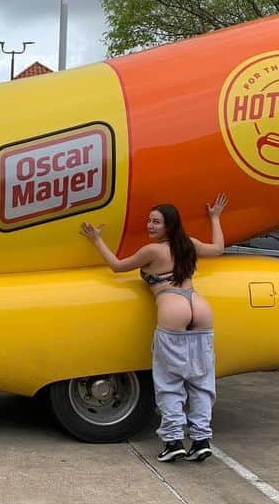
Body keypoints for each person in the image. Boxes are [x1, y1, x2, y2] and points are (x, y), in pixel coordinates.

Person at [80, 194, 228, 463]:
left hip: (172, 308)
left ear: (169, 226)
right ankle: (201, 440)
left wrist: (97, 239)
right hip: (199, 306)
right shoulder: (189, 245)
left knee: (170, 382)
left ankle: (173, 442)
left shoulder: (152, 251)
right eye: (149, 221)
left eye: (156, 222)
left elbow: (117, 266)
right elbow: (218, 248)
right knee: (200, 381)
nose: (150, 226)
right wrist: (215, 218)